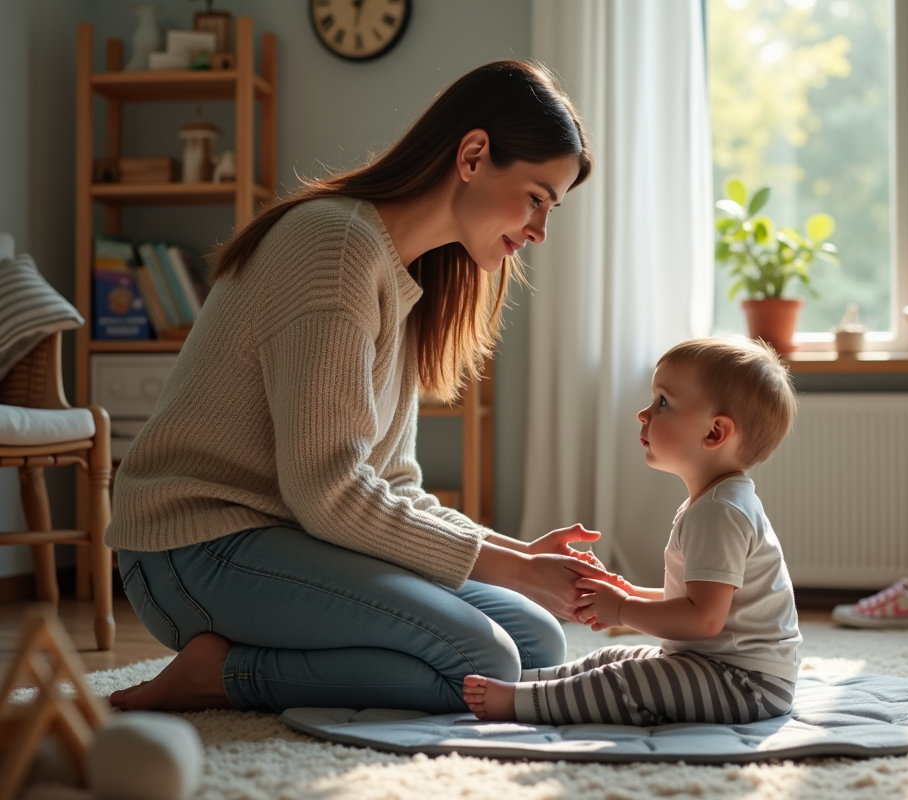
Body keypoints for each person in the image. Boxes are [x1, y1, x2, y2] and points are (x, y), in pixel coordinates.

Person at [106, 60, 608, 715]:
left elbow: (391, 486)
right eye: (537, 197)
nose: (540, 230)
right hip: (191, 551)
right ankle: (218, 676)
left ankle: (248, 663)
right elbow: (329, 494)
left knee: (538, 645)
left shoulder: (402, 275)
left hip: (286, 540)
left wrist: (517, 552)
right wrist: (511, 569)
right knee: (484, 663)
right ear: (475, 155)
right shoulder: (335, 246)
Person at [463, 337, 802, 725]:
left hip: (747, 684)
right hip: (723, 668)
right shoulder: (715, 503)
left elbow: (703, 620)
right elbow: (691, 600)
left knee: (629, 679)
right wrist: (628, 593)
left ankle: (525, 704)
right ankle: (533, 683)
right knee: (615, 658)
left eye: (662, 402)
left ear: (714, 434)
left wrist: (623, 610)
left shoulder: (719, 513)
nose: (644, 413)